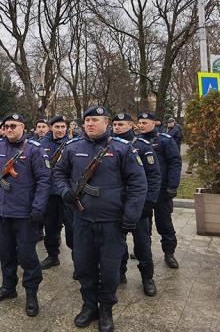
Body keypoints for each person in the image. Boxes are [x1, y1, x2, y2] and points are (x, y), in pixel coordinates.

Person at [53, 106, 147, 331]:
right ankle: (89, 306)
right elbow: (58, 173)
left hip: (112, 224)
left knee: (110, 270)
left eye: (95, 120)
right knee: (83, 267)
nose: (90, 124)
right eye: (87, 120)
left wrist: (130, 217)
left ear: (106, 122)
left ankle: (106, 309)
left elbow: (138, 185)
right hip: (83, 221)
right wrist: (65, 191)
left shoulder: (123, 149)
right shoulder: (73, 147)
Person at [0, 113, 51, 317]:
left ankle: (31, 293)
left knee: (27, 256)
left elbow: (44, 180)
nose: (9, 129)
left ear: (23, 127)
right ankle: (8, 287)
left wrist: (38, 208)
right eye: (6, 126)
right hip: (2, 212)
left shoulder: (34, 150)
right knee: (5, 253)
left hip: (25, 214)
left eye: (13, 125)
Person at [112, 112, 161, 297]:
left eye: (121, 125)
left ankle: (147, 277)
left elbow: (154, 176)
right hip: (117, 205)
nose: (117, 128)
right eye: (115, 124)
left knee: (142, 243)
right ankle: (120, 272)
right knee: (117, 242)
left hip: (138, 205)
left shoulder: (142, 146)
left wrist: (148, 202)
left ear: (131, 126)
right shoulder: (110, 146)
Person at [138, 112, 182, 269]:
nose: (141, 125)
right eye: (140, 123)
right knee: (144, 224)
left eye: (145, 122)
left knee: (164, 223)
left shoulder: (165, 140)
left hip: (162, 191)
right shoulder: (136, 142)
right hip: (143, 191)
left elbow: (175, 163)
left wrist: (172, 185)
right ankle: (143, 251)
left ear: (154, 123)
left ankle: (169, 253)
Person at [39, 115, 75, 275]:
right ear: (51, 127)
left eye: (63, 127)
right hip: (50, 194)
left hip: (67, 193)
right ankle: (53, 256)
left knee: (73, 229)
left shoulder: (73, 144)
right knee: (51, 227)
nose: (60, 130)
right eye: (57, 127)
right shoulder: (41, 145)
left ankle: (78, 261)